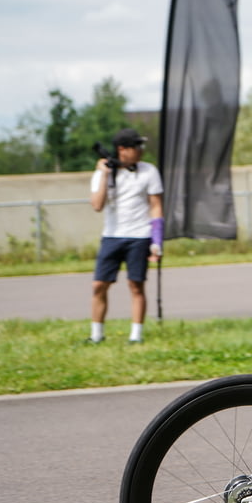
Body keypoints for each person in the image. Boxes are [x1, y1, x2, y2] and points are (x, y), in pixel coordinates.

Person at [87, 128, 164, 344]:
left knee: (136, 285)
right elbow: (97, 205)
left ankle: (136, 336)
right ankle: (96, 334)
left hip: (140, 236)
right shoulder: (103, 173)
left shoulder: (149, 171)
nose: (140, 151)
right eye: (136, 146)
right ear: (122, 149)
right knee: (99, 285)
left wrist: (157, 242)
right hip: (112, 236)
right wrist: (104, 174)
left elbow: (156, 207)